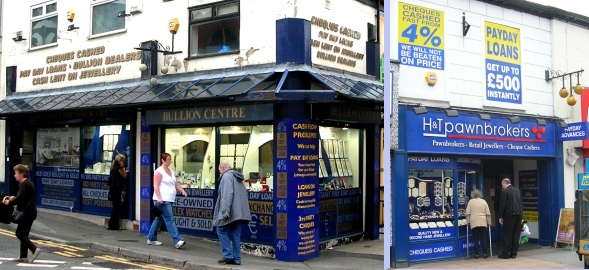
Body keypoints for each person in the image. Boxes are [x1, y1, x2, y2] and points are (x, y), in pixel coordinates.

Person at [213, 161, 251, 266]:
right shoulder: (237, 177)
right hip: (239, 212)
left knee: (220, 229)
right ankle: (237, 259)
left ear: (222, 167)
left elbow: (227, 195)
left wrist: (224, 212)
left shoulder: (226, 177)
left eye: (219, 168)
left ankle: (228, 255)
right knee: (236, 234)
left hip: (230, 211)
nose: (219, 171)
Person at [147, 153, 187, 249]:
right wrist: (159, 198)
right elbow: (155, 186)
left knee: (159, 219)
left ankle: (151, 238)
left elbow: (175, 183)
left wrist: (182, 190)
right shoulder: (158, 171)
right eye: (168, 159)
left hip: (169, 199)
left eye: (170, 159)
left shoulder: (171, 171)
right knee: (169, 219)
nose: (170, 161)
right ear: (163, 160)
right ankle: (177, 240)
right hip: (162, 200)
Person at [2, 164, 42, 263]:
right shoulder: (26, 183)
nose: (15, 175)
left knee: (19, 233)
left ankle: (34, 249)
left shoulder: (25, 184)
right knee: (24, 234)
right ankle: (23, 257)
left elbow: (20, 199)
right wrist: (13, 198)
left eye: (16, 173)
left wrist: (9, 202)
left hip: (27, 213)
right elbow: (22, 197)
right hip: (30, 212)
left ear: (22, 174)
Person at [498, 178, 523, 259]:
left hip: (509, 216)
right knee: (516, 234)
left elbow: (503, 205)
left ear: (505, 184)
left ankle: (506, 253)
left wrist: (501, 216)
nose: (502, 187)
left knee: (507, 235)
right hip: (518, 215)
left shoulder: (505, 192)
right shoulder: (518, 191)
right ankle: (514, 253)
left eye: (502, 185)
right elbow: (521, 204)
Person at [465, 189, 491, 259]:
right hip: (483, 221)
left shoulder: (471, 201)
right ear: (480, 194)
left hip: (474, 221)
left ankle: (476, 254)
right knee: (483, 238)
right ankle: (485, 253)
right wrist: (489, 222)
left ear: (473, 195)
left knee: (475, 239)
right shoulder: (483, 201)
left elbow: (467, 213)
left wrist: (468, 221)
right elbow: (488, 213)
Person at [106, 154, 127, 230]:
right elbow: (125, 176)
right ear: (119, 161)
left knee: (115, 207)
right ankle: (114, 225)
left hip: (113, 190)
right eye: (123, 161)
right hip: (117, 190)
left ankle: (111, 224)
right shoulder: (119, 168)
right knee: (117, 207)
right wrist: (125, 170)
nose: (124, 162)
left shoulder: (113, 168)